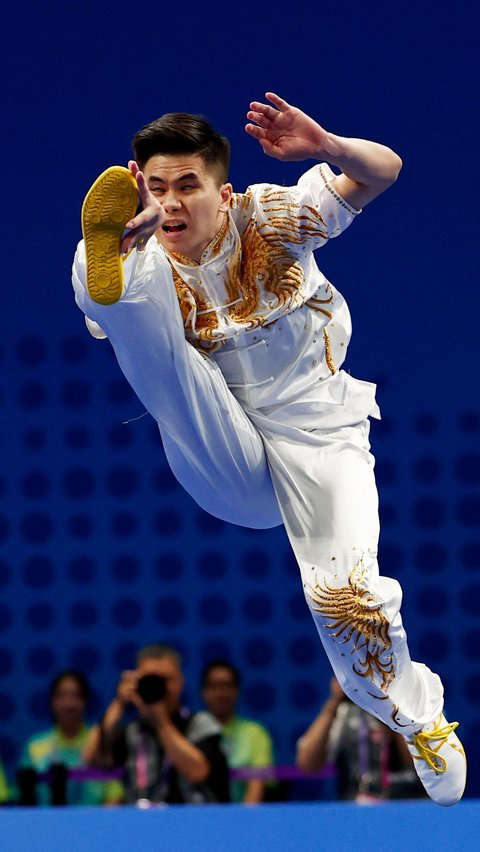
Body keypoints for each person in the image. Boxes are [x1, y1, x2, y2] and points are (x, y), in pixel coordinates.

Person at [72, 92, 466, 807]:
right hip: (221, 449)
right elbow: (147, 351)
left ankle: (421, 719)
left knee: (342, 600)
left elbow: (384, 170)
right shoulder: (150, 255)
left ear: (223, 193)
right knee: (137, 315)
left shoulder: (268, 217)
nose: (171, 205)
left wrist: (329, 147)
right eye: (155, 189)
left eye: (187, 187)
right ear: (137, 184)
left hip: (321, 439)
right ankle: (99, 269)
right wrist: (124, 257)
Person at [83, 644, 230, 804]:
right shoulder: (133, 731)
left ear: (180, 682)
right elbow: (91, 758)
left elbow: (197, 772)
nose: (160, 687)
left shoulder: (201, 723)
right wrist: (119, 703)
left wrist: (160, 722)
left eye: (166, 679)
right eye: (151, 679)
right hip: (143, 822)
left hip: (193, 821)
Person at [297, 676, 426, 802]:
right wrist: (333, 704)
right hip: (355, 805)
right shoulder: (344, 712)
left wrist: (393, 710)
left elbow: (423, 766)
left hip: (407, 802)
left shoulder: (417, 701)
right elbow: (307, 764)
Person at [18, 670, 123, 806]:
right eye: (61, 696)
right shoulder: (35, 746)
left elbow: (114, 794)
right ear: (52, 701)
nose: (69, 703)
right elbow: (26, 799)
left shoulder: (100, 742)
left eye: (76, 695)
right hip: (45, 824)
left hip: (94, 824)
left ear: (85, 701)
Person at [201, 660, 275, 803]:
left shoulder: (255, 733)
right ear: (204, 692)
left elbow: (257, 786)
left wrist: (243, 821)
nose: (221, 693)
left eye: (227, 686)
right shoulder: (192, 732)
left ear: (237, 690)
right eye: (214, 686)